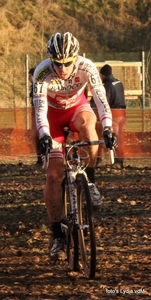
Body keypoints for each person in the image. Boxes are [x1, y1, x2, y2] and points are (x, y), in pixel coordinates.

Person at [33, 32, 118, 261]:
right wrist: (43, 135)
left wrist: (108, 128)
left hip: (77, 109)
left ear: (76, 58)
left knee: (90, 130)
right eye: (57, 63)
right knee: (53, 176)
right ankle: (57, 235)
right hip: (52, 116)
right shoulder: (42, 72)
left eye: (67, 63)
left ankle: (90, 181)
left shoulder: (87, 66)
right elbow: (39, 109)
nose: (62, 68)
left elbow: (101, 100)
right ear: (51, 59)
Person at [99, 64, 126, 168]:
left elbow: (105, 102)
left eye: (100, 75)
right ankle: (120, 159)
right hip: (122, 113)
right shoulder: (119, 83)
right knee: (120, 137)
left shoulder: (107, 86)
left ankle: (116, 161)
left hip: (113, 114)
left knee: (113, 137)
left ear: (104, 75)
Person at [28, 67, 42, 164]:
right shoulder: (32, 86)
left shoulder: (39, 85)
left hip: (41, 112)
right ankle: (39, 157)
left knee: (41, 134)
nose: (29, 78)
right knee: (34, 135)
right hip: (34, 112)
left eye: (30, 76)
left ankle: (43, 156)